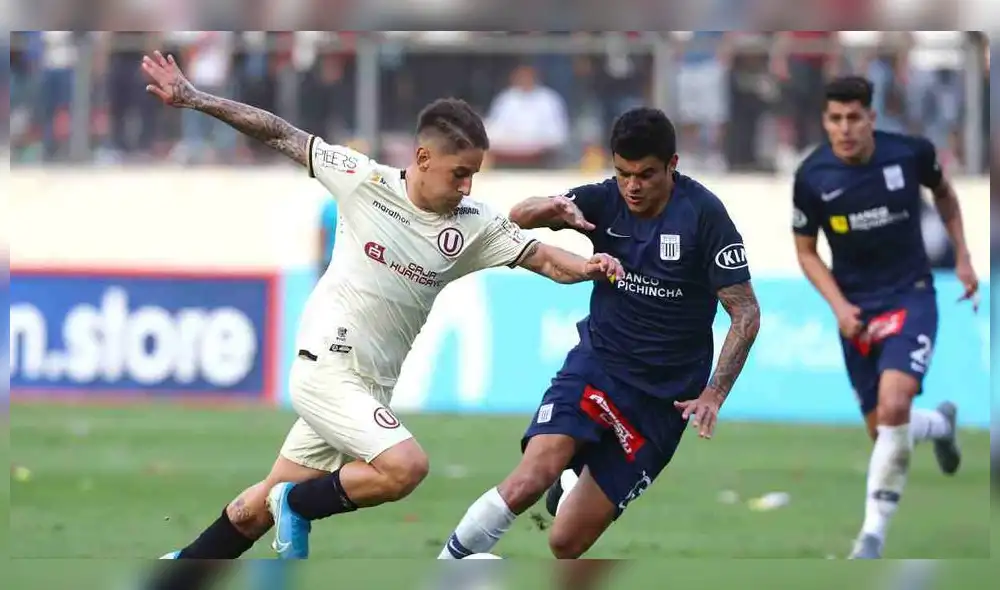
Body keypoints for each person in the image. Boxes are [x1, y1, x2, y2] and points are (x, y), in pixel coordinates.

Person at [138, 50, 625, 573]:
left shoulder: (474, 224)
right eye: (459, 173)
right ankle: (295, 507)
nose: (467, 187)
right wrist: (193, 98)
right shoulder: (362, 180)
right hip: (326, 366)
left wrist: (591, 265)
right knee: (404, 468)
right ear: (422, 159)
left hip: (369, 386)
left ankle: (181, 569)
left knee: (254, 508)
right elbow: (278, 132)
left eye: (474, 176)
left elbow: (544, 258)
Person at [437, 107, 761, 562]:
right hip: (599, 365)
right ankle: (446, 568)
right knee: (532, 473)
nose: (632, 186)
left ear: (673, 165)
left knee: (565, 542)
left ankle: (572, 479)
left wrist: (714, 394)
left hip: (662, 402)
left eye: (646, 174)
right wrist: (548, 208)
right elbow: (515, 217)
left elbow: (745, 312)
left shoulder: (704, 216)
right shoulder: (604, 199)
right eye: (623, 173)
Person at [791, 76, 978, 559]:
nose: (846, 128)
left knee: (894, 406)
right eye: (836, 119)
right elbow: (807, 251)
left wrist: (962, 257)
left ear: (872, 118)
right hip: (855, 309)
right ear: (825, 121)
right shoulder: (812, 175)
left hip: (911, 295)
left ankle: (870, 537)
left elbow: (947, 196)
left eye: (855, 118)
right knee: (884, 433)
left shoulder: (909, 153)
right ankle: (938, 424)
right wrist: (839, 307)